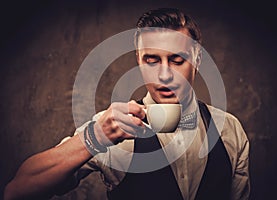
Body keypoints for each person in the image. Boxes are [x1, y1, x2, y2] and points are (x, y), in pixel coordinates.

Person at [4, 8, 250, 200]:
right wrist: (94, 137)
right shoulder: (113, 126)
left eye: (177, 60)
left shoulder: (230, 129)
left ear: (197, 59)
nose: (164, 75)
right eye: (152, 61)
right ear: (138, 60)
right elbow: (18, 192)